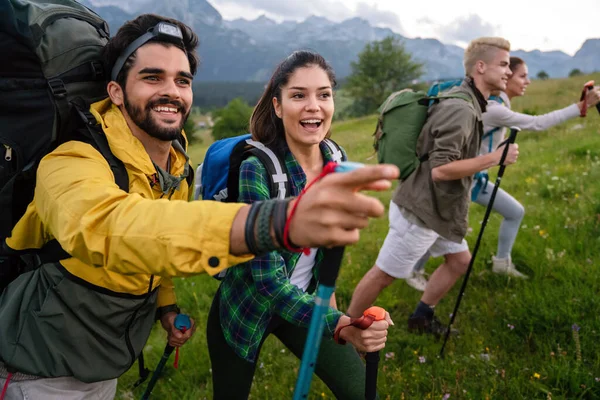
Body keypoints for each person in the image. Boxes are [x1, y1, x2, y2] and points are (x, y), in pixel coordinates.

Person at [0, 15, 398, 400]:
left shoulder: (174, 163)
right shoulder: (70, 162)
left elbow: (157, 244)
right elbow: (109, 229)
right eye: (152, 77)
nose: (171, 91)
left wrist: (166, 305)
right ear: (116, 91)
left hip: (103, 361)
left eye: (183, 80)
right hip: (36, 365)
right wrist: (278, 221)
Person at [206, 50, 393, 400]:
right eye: (298, 95)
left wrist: (335, 314)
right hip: (246, 310)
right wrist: (339, 324)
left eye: (324, 94)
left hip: (307, 305)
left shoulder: (337, 163)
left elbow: (327, 252)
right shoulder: (257, 168)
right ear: (277, 106)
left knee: (360, 391)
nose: (314, 106)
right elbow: (266, 282)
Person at [346, 37, 519, 336]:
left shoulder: (469, 101)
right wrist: (493, 158)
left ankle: (421, 319)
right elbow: (440, 170)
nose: (508, 71)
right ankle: (343, 330)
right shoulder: (462, 109)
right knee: (383, 275)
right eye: (503, 64)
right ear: (480, 67)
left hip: (440, 208)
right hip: (421, 211)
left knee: (459, 260)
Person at [407, 57, 600, 285]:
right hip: (458, 178)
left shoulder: (498, 105)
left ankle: (501, 263)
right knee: (438, 228)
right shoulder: (493, 108)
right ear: (506, 79)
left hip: (474, 179)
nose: (527, 81)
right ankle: (412, 271)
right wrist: (581, 106)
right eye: (522, 76)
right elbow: (538, 123)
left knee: (513, 212)